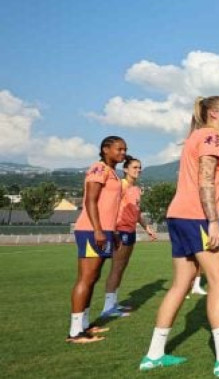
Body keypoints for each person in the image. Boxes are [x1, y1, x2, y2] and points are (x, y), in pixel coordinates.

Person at [139, 96, 219, 375]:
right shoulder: (212, 136)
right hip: (197, 216)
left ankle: (154, 355)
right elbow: (205, 180)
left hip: (178, 215)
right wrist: (213, 221)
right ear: (213, 113)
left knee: (180, 284)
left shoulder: (196, 135)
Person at [67, 136, 127, 344]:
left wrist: (113, 231)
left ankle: (84, 324)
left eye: (124, 149)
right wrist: (98, 230)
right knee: (86, 277)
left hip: (105, 230)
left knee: (93, 278)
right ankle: (75, 332)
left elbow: (110, 206)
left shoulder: (113, 173)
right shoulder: (98, 168)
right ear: (105, 149)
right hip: (91, 230)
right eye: (119, 149)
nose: (123, 153)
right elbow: (90, 201)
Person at [100, 155, 158, 318]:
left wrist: (146, 227)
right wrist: (113, 230)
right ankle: (108, 308)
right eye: (134, 167)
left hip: (131, 231)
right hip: (120, 231)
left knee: (121, 268)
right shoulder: (121, 186)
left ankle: (113, 304)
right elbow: (110, 208)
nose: (138, 170)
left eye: (140, 168)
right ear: (125, 169)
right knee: (116, 268)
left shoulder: (136, 189)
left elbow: (136, 212)